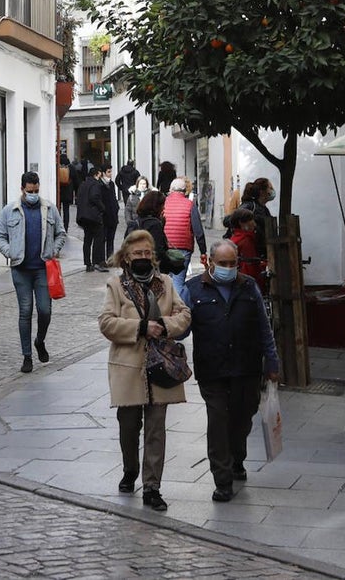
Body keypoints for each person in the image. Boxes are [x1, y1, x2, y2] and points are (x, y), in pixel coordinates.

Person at [98, 230, 191, 512]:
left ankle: (152, 487)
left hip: (161, 365)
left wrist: (163, 325)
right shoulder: (116, 285)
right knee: (128, 426)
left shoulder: (166, 283)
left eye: (147, 253)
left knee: (156, 430)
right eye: (137, 253)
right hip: (129, 366)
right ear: (127, 257)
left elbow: (184, 314)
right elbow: (106, 322)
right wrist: (139, 327)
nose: (143, 257)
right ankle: (130, 469)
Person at [182, 240, 279, 502]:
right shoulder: (194, 289)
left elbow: (263, 327)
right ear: (211, 263)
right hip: (212, 368)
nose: (228, 268)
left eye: (232, 263)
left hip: (246, 366)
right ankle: (222, 479)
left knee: (243, 418)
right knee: (218, 422)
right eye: (222, 263)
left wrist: (272, 362)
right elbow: (182, 327)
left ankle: (237, 457)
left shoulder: (249, 286)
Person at [0, 172, 68, 374]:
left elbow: (61, 233)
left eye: (36, 190)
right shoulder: (10, 210)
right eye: (30, 191)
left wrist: (53, 250)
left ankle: (40, 341)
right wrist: (10, 252)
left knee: (45, 310)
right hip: (21, 269)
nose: (33, 194)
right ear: (22, 189)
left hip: (43, 268)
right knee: (25, 311)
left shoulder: (49, 208)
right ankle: (27, 356)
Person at [163, 177, 208, 300]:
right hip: (183, 249)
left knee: (165, 280)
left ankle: (167, 306)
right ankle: (180, 307)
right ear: (185, 191)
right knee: (178, 281)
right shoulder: (190, 205)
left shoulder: (163, 203)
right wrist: (203, 251)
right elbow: (198, 230)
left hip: (164, 247)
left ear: (170, 190)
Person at [76, 166, 108, 272]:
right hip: (93, 216)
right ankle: (96, 261)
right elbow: (95, 197)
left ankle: (87, 263)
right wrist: (102, 207)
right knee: (98, 238)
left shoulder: (83, 184)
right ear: (97, 174)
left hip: (84, 216)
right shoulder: (95, 184)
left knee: (87, 240)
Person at [228, 208, 266, 288]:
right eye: (251, 220)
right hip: (247, 282)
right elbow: (251, 266)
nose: (254, 224)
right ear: (241, 223)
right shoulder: (245, 240)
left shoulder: (235, 237)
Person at [101, 164, 120, 265]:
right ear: (103, 173)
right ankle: (102, 260)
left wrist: (116, 208)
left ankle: (110, 259)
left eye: (111, 171)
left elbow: (113, 198)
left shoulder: (111, 184)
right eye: (108, 172)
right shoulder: (99, 184)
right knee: (103, 239)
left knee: (111, 239)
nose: (110, 174)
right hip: (104, 217)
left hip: (113, 216)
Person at [58, 154, 75, 232]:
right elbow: (75, 179)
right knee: (66, 210)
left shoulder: (57, 167)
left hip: (59, 191)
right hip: (68, 191)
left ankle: (58, 226)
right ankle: (66, 227)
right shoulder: (71, 167)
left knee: (58, 209)